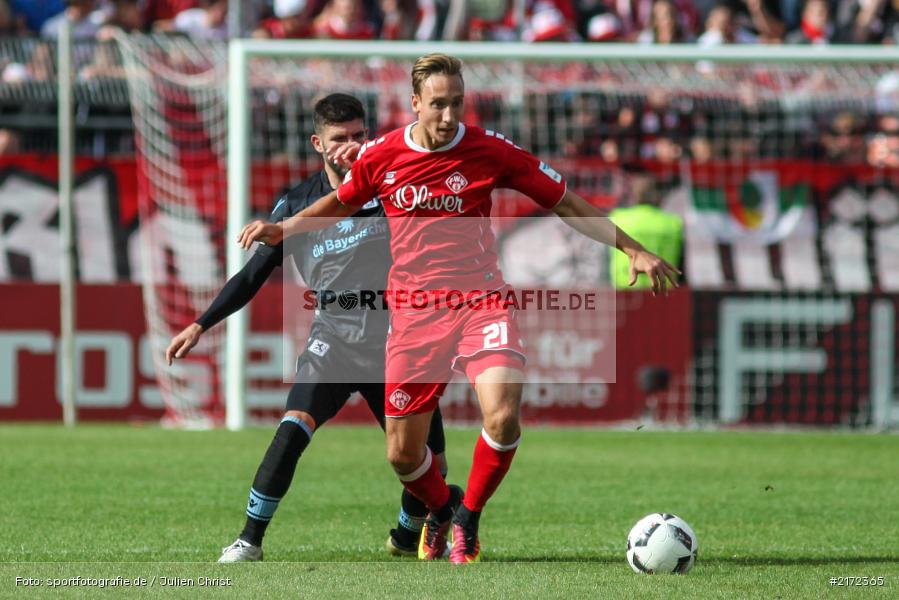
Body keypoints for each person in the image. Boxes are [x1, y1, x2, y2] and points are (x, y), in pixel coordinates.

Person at [237, 54, 679, 564]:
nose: (449, 116)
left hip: (481, 303)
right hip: (413, 315)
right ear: (415, 104)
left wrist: (632, 248)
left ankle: (468, 516)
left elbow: (565, 201)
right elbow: (339, 203)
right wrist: (285, 229)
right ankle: (441, 510)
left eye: (457, 103)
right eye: (438, 105)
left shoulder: (489, 151)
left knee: (504, 415)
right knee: (403, 455)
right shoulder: (382, 155)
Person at [166, 93, 450, 563]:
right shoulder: (296, 205)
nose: (351, 146)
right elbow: (252, 276)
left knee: (426, 463)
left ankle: (407, 532)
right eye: (340, 138)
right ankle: (249, 540)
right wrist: (201, 324)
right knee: (292, 427)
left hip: (398, 341)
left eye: (360, 136)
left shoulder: (396, 190)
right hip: (334, 339)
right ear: (319, 143)